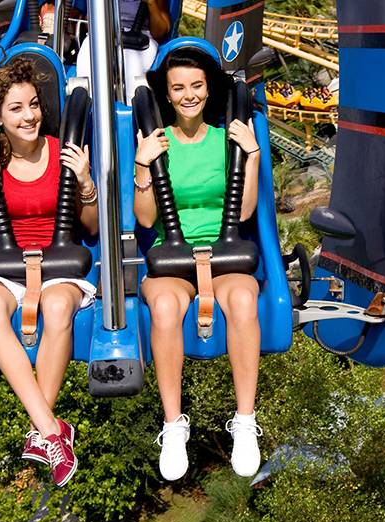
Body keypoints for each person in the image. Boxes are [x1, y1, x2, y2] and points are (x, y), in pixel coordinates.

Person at [0, 57, 98, 487]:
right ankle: (52, 430)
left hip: (59, 263)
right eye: (17, 109)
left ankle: (45, 432)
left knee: (58, 306)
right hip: (10, 266)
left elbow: (92, 228)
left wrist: (85, 183)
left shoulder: (64, 150)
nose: (30, 116)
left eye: (34, 105)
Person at [132, 51, 262, 481]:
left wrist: (252, 157)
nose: (188, 95)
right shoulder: (157, 142)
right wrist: (142, 164)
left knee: (244, 298)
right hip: (173, 261)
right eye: (178, 88)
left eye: (196, 86)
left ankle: (244, 421)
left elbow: (243, 215)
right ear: (167, 96)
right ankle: (173, 425)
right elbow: (147, 219)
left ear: (208, 89)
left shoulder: (226, 139)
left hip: (224, 256)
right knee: (166, 309)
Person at [76, 0, 172, 100]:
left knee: (133, 77)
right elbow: (89, 21)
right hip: (105, 31)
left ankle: (132, 109)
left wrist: (151, 3)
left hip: (141, 38)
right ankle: (89, 108)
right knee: (89, 72)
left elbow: (160, 33)